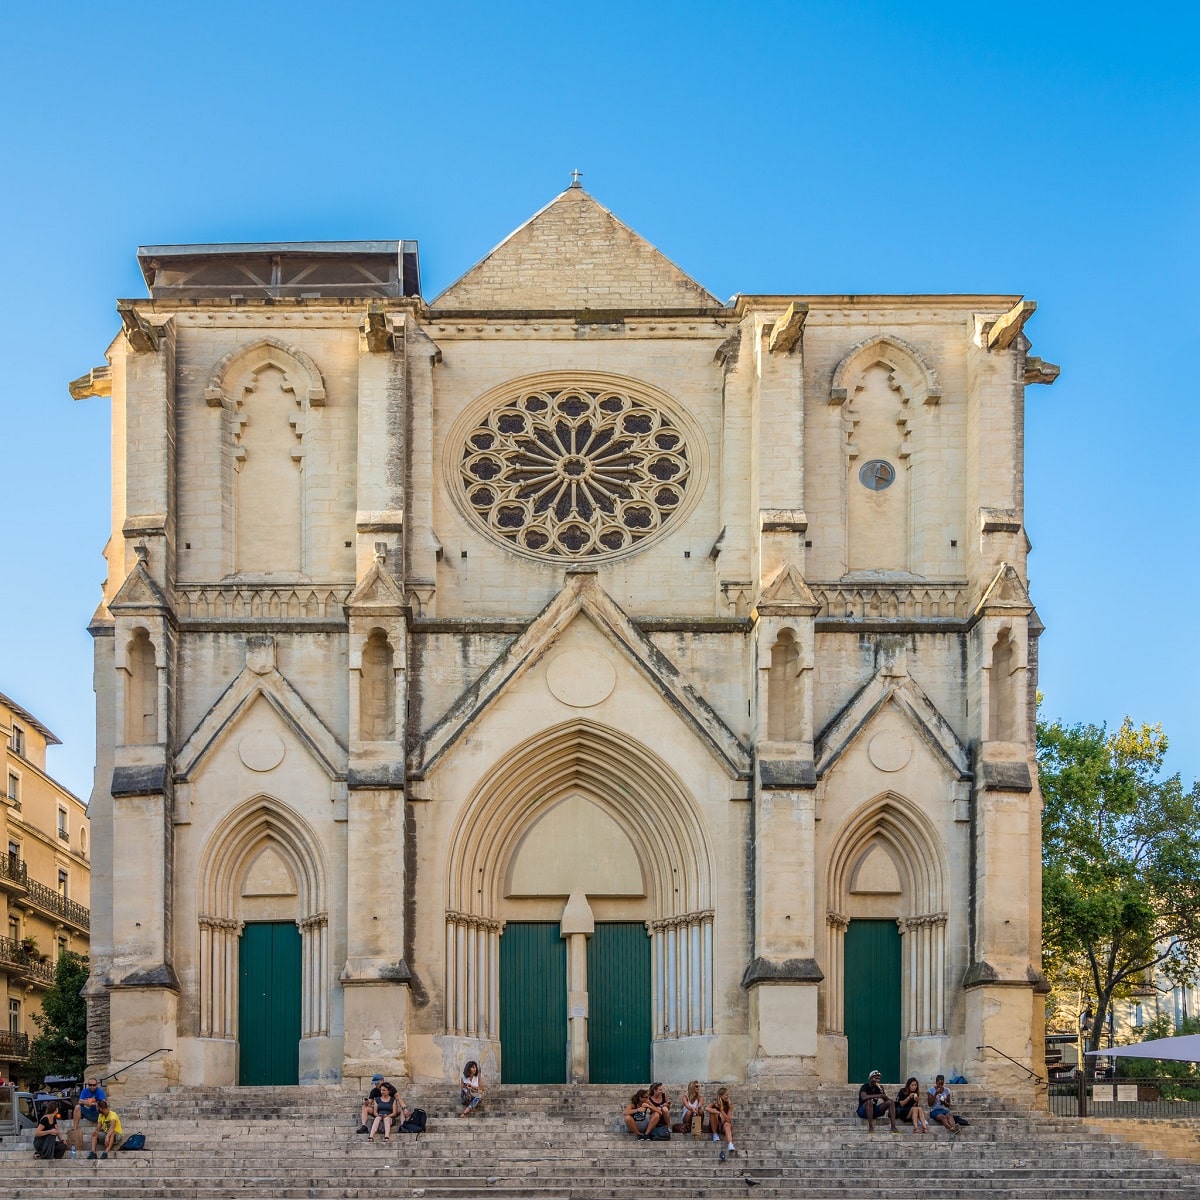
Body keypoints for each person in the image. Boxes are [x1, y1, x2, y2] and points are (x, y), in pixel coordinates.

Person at [73, 1076, 106, 1148]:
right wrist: (86, 1102)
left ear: (96, 1085)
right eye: (90, 1085)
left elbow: (103, 1102)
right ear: (88, 1085)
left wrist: (94, 1102)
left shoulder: (99, 1091)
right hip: (89, 1112)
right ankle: (75, 1129)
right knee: (77, 1107)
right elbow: (80, 1101)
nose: (92, 1086)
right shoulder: (84, 1091)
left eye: (94, 1085)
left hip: (98, 1114)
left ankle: (103, 1126)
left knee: (102, 1107)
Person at [705, 1085, 735, 1154]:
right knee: (713, 1111)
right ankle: (715, 1134)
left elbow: (728, 1119)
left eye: (728, 1095)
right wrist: (718, 1112)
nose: (728, 1096)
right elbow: (706, 1108)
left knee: (727, 1124)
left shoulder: (730, 1105)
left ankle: (730, 1144)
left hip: (724, 1125)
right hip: (715, 1124)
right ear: (720, 1096)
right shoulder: (715, 1103)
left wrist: (721, 1110)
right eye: (726, 1095)